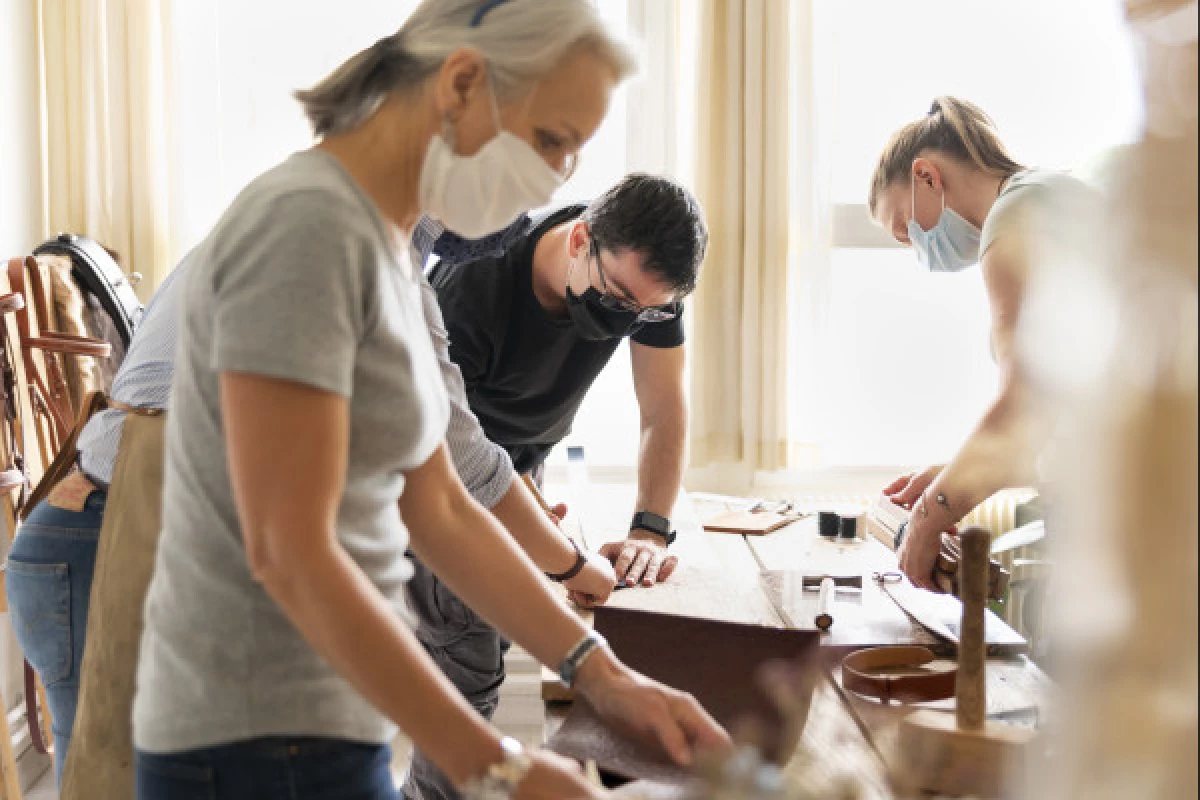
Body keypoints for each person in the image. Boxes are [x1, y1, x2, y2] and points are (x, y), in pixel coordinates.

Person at [117, 2, 726, 798]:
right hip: (248, 739)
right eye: (552, 141)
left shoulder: (396, 260)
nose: (557, 181)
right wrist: (494, 762)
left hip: (330, 724)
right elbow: (291, 552)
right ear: (464, 83)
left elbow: (438, 504)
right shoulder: (308, 226)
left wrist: (603, 675)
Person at [407, 174, 704, 797]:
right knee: (468, 656)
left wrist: (649, 526)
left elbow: (663, 409)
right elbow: (463, 459)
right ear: (579, 240)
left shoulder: (642, 281)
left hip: (515, 463)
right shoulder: (475, 287)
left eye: (649, 311)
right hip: (438, 474)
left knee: (490, 648)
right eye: (620, 298)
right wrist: (569, 564)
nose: (631, 320)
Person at [867, 96, 1097, 589]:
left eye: (906, 230)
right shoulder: (1047, 196)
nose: (917, 249)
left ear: (926, 176)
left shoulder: (1017, 214)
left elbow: (1022, 415)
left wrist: (929, 519)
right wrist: (956, 473)